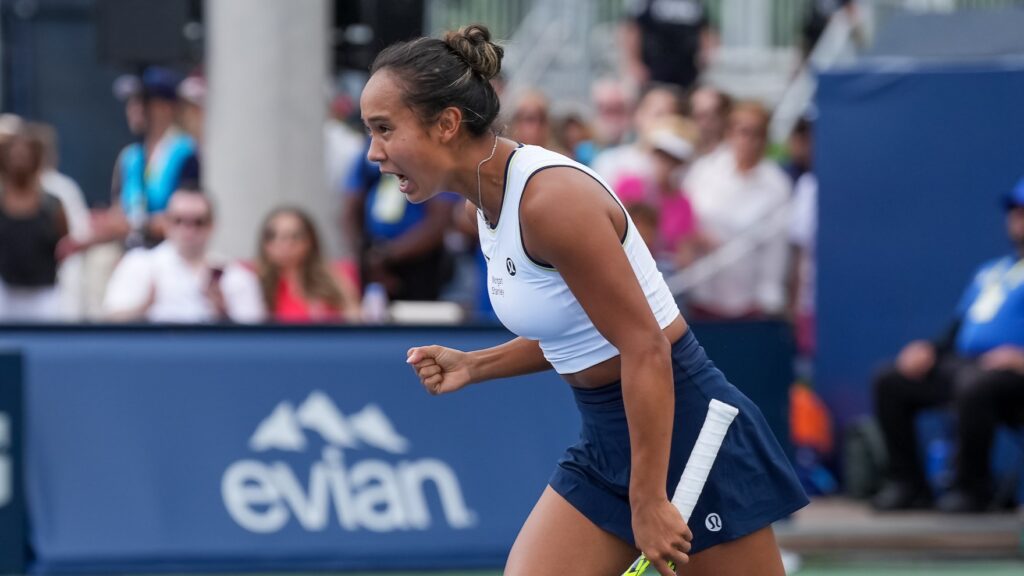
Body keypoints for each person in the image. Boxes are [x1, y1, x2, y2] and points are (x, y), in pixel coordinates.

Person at [363, 24, 807, 575]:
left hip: (687, 433)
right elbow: (581, 336)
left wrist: (648, 500)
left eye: (384, 129)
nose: (374, 152)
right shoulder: (486, 202)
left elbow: (645, 346)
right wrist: (475, 365)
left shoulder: (551, 202)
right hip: (605, 441)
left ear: (447, 124)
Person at [872, 176, 1024, 514]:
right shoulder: (992, 271)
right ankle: (908, 485)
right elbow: (958, 331)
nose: (1018, 218)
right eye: (1014, 210)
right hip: (969, 366)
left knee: (976, 385)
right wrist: (929, 349)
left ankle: (974, 489)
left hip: (1011, 377)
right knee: (892, 380)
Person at [103, 188, 264, 324]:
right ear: (166, 223)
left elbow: (256, 337)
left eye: (198, 222)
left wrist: (224, 313)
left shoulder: (234, 275)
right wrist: (144, 308)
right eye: (178, 220)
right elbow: (110, 321)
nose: (188, 230)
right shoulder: (138, 264)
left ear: (212, 225)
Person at [0, 128, 67, 321]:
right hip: (5, 296)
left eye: (25, 154)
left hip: (45, 297)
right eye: (14, 154)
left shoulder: (53, 206)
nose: (19, 159)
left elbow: (64, 246)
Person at [256, 206, 361, 323]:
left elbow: (355, 321)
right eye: (272, 236)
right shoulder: (254, 282)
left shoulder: (335, 278)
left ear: (310, 241)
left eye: (294, 236)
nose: (282, 244)